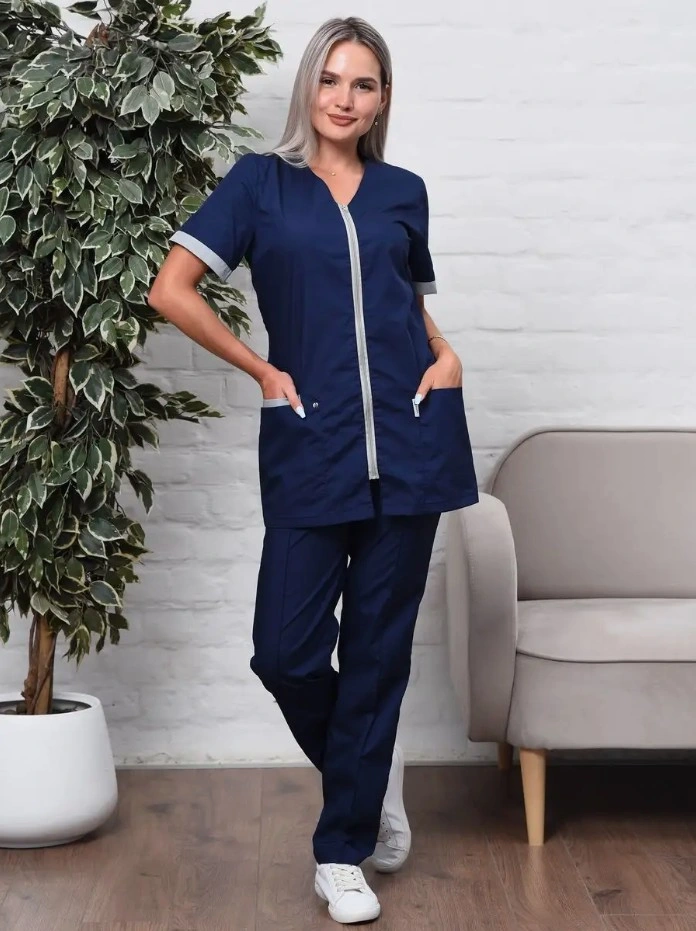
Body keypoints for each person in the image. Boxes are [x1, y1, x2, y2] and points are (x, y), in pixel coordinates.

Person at [148, 16, 478, 925]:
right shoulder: (260, 184)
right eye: (331, 79)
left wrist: (447, 356)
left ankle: (342, 850)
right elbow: (170, 289)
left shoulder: (403, 192)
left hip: (411, 442)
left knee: (376, 651)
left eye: (363, 84)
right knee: (285, 650)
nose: (344, 97)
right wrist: (261, 369)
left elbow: (404, 303)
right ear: (308, 87)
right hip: (311, 443)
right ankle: (367, 781)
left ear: (382, 99)